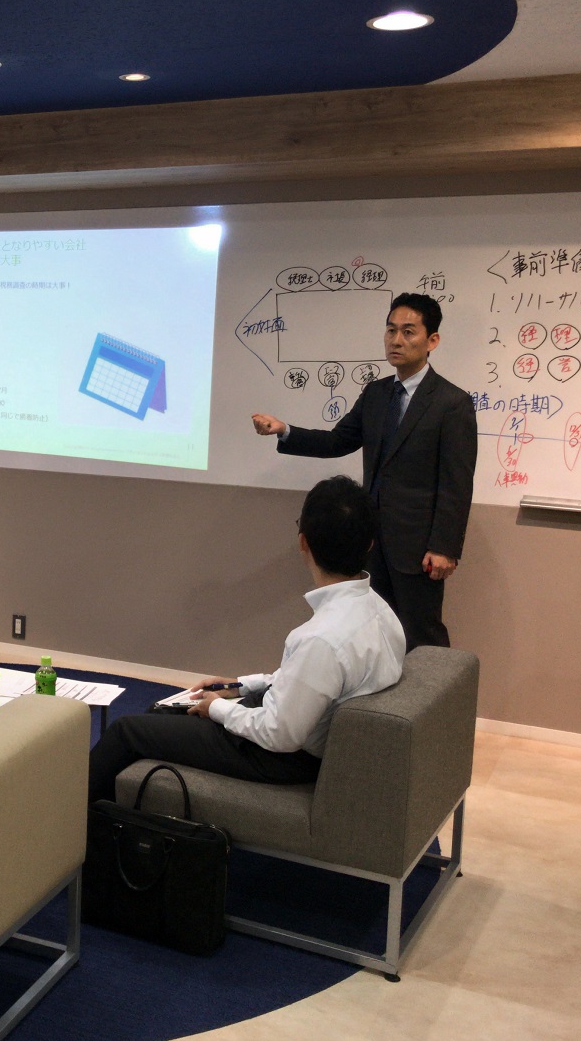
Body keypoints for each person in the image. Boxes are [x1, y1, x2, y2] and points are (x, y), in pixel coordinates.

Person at [88, 476, 404, 804]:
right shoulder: (380, 611)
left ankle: (71, 821)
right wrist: (240, 686)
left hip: (279, 756)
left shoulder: (321, 639)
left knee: (127, 731)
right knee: (161, 714)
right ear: (370, 544)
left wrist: (219, 708)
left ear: (303, 543)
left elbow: (279, 734)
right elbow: (311, 682)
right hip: (299, 733)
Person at [251, 292, 477, 649]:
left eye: (408, 332)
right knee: (373, 631)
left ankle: (437, 687)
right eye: (391, 330)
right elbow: (337, 441)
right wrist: (285, 430)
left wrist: (444, 547)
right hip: (370, 540)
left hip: (418, 546)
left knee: (422, 633)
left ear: (432, 340)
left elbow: (457, 482)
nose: (396, 340)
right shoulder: (376, 394)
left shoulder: (452, 402)